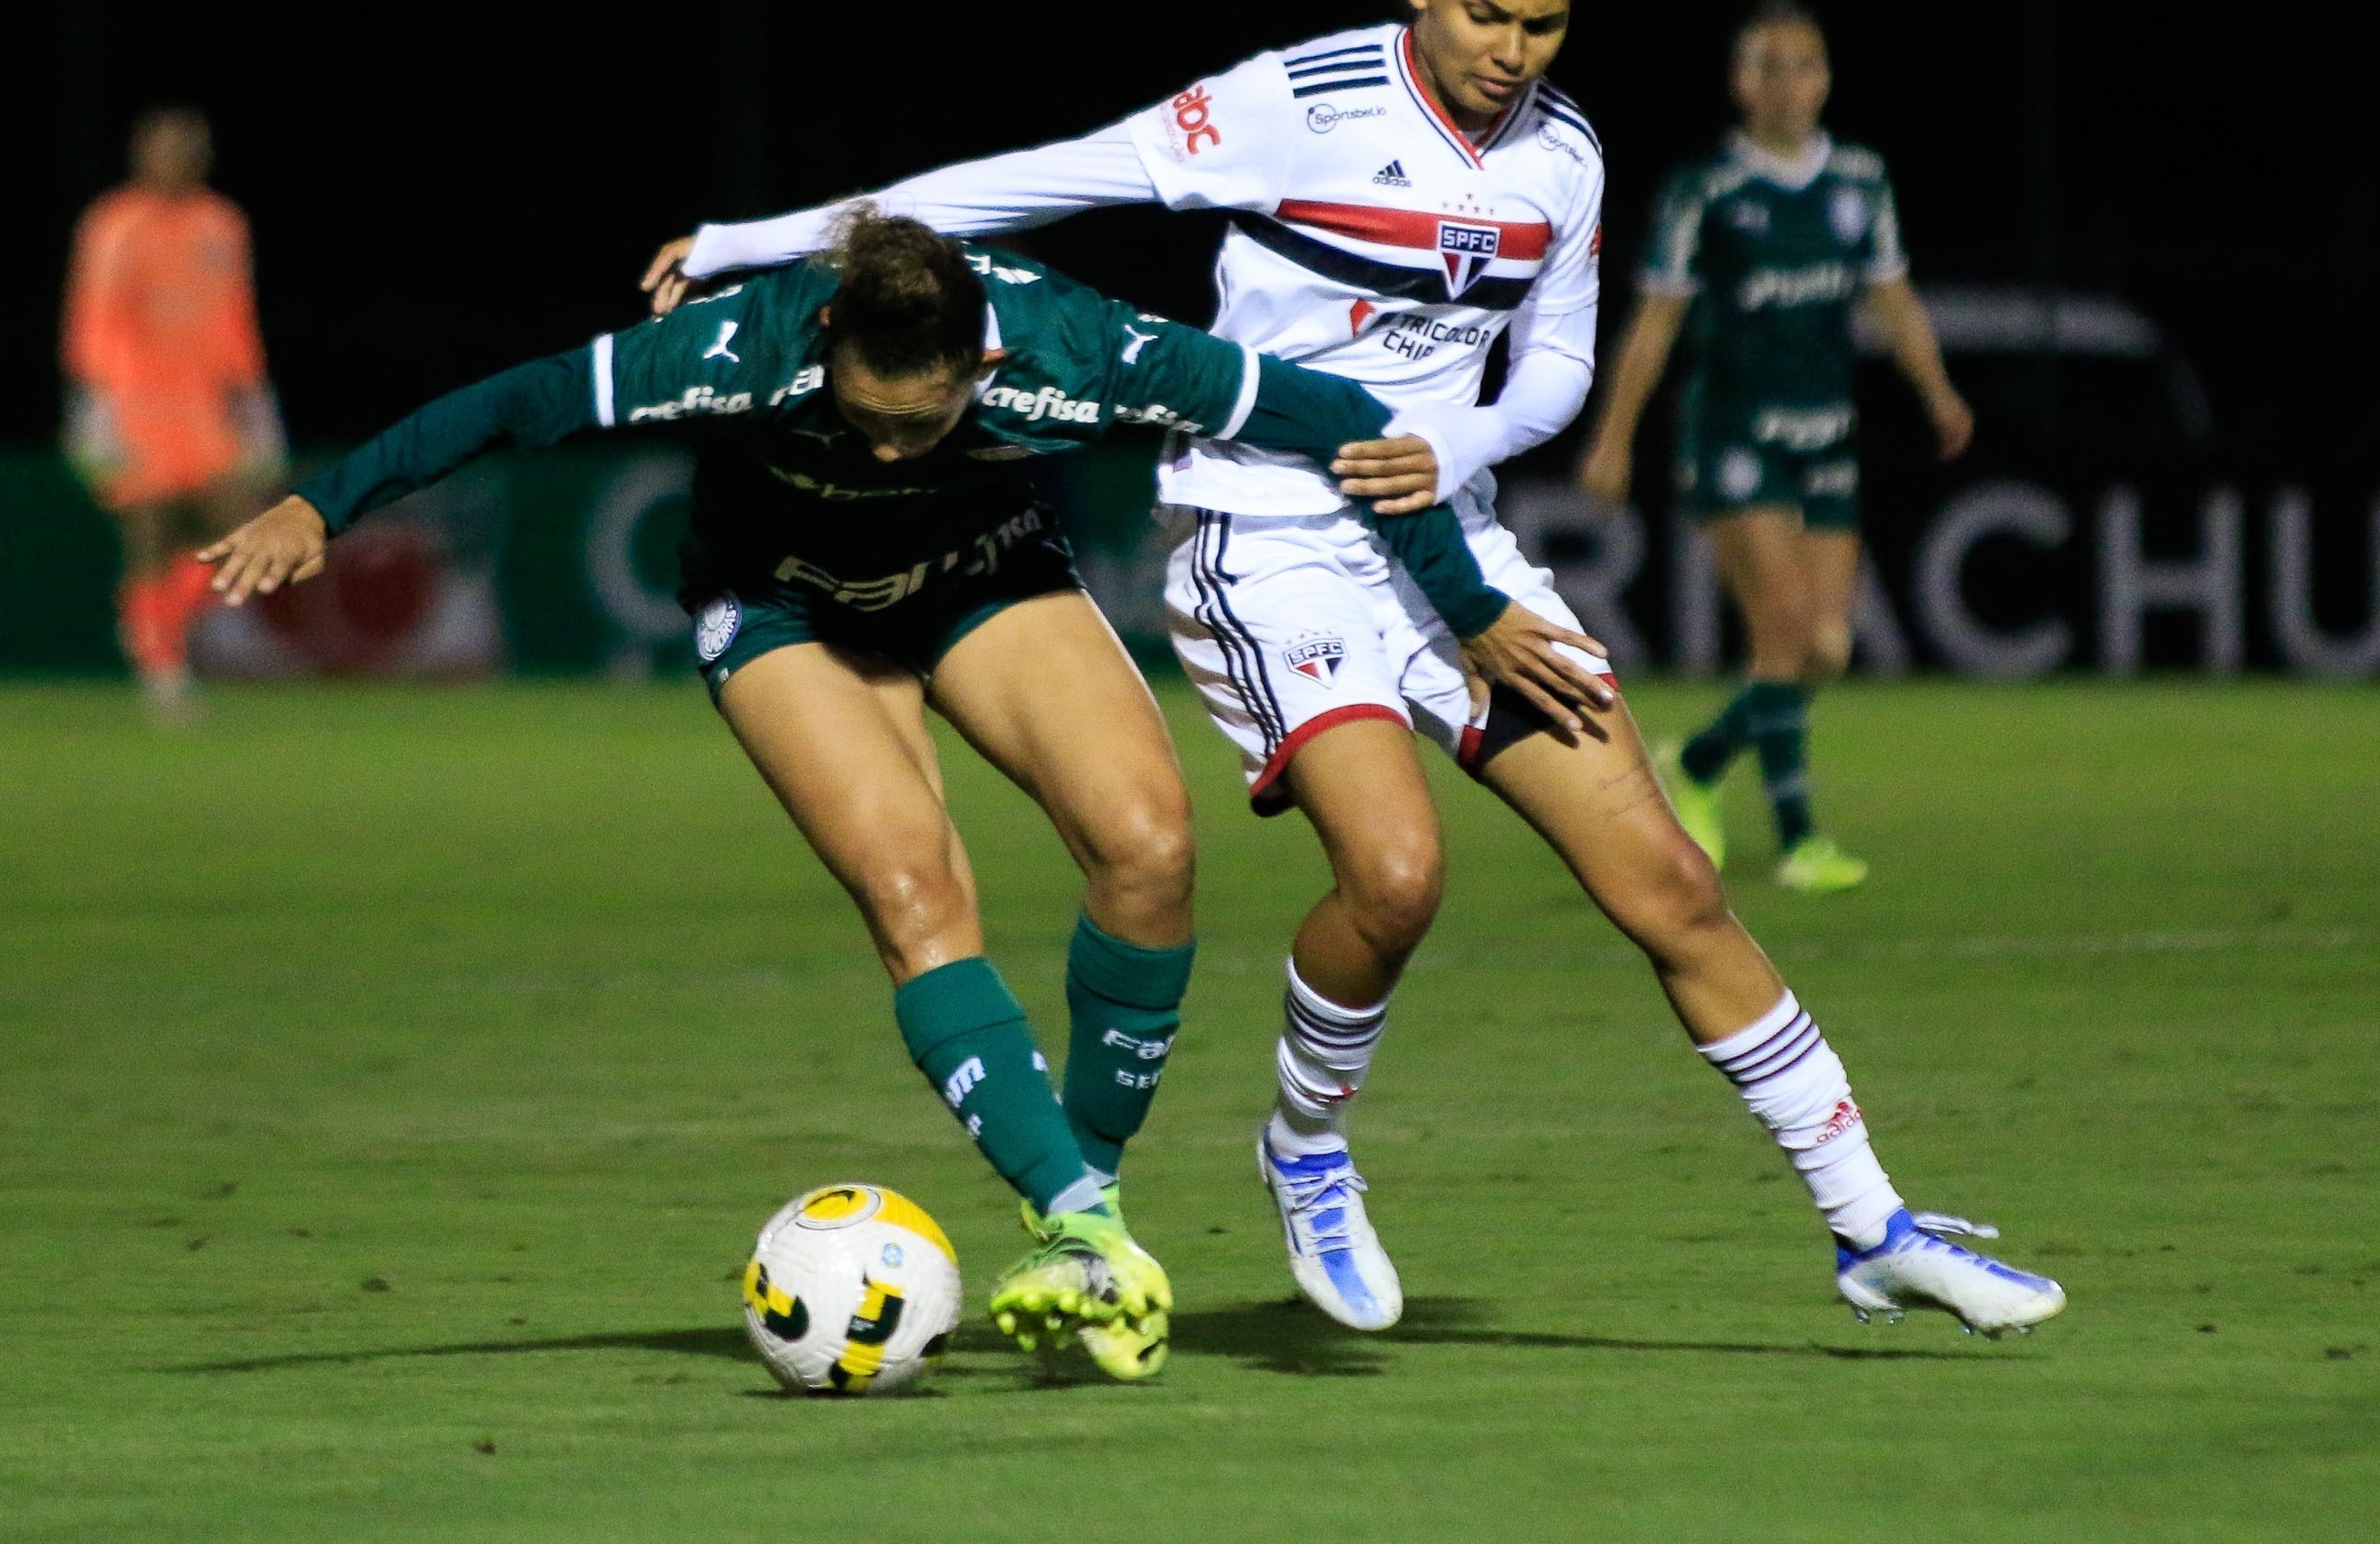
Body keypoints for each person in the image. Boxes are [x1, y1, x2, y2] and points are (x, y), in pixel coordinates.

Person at [642, 0, 2064, 1341]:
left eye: (1542, 19)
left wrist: (1448, 457)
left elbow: (1557, 372)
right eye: (1482, 11)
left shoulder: (1565, 160)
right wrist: (747, 238)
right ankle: (1307, 1148)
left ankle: (1871, 1230)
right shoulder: (1294, 105)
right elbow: (1046, 174)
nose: (1511, 48)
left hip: (1448, 544)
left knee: (1669, 885)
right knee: (1393, 878)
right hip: (1266, 544)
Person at [199, 211, 1581, 1380]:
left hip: (982, 575)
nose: (883, 456)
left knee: (1151, 848)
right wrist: (321, 507)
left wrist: (1461, 606)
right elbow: (516, 400)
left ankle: (1076, 1222)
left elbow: (1338, 415)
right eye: (862, 422)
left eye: (919, 429)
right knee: (916, 889)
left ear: (980, 357)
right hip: (783, 606)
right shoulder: (738, 341)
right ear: (826, 349)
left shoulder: (1071, 343)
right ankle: (1083, 1215)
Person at [1575, 0, 1975, 891]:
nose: (1789, 83)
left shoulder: (1860, 182)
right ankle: (1798, 840)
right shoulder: (1705, 191)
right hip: (1731, 434)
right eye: (1770, 65)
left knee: (1825, 646)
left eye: (1805, 65)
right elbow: (1654, 322)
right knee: (1784, 635)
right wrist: (1612, 437)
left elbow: (1893, 297)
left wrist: (1936, 390)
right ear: (1739, 81)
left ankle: (1697, 766)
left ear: (1825, 79)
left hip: (1824, 431)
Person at [62, 109, 284, 713]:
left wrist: (255, 400)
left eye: (190, 149)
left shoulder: (221, 223)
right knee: (151, 533)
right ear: (142, 155)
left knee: (248, 532)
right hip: (136, 400)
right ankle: (161, 667)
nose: (179, 159)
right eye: (167, 149)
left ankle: (150, 620)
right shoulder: (115, 223)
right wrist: (93, 403)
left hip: (207, 403)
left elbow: (236, 314)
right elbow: (95, 314)